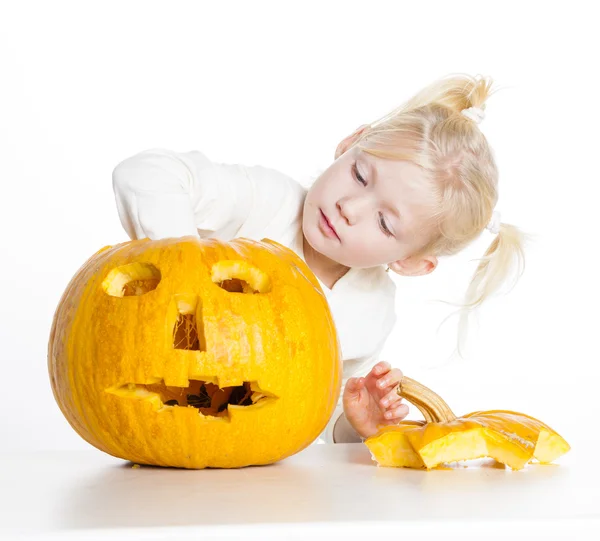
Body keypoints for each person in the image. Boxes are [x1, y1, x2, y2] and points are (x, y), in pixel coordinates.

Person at [111, 73, 525, 445]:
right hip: (160, 431)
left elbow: (313, 418)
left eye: (384, 222)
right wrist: (183, 272)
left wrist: (356, 424)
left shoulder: (371, 311)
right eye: (361, 176)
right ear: (350, 143)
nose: (350, 207)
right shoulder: (264, 201)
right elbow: (146, 173)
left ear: (413, 262)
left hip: (255, 472)